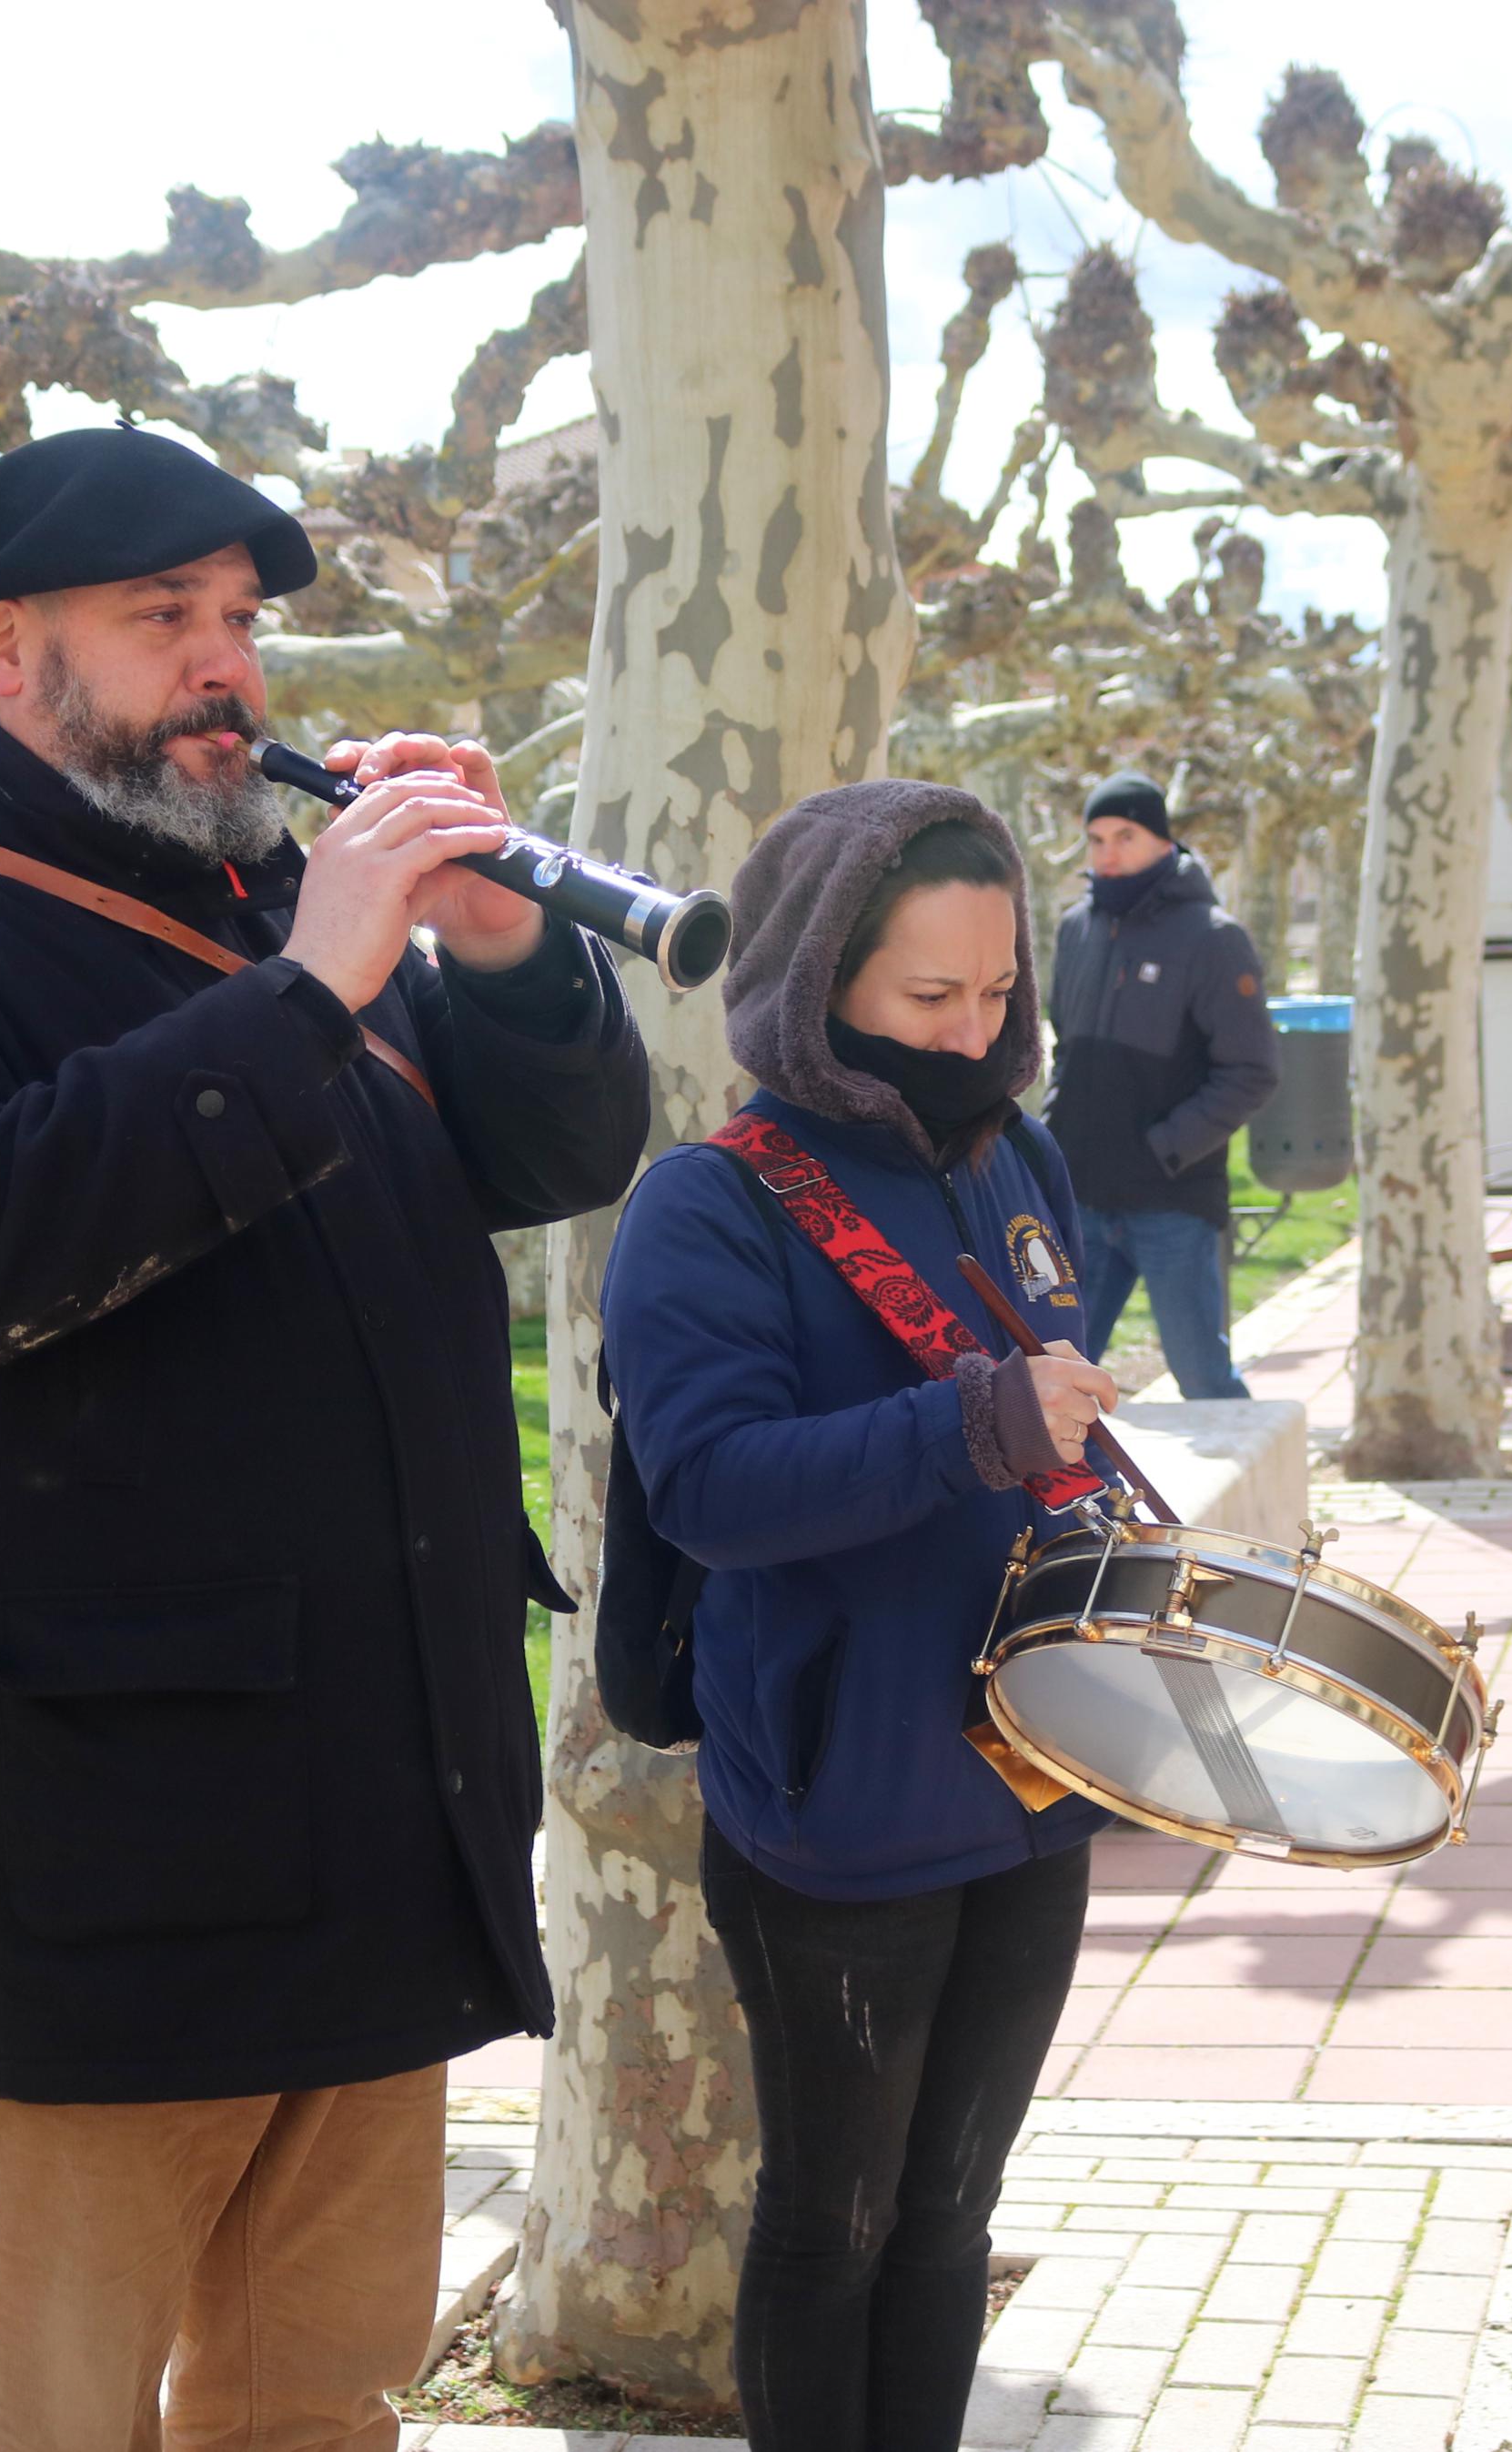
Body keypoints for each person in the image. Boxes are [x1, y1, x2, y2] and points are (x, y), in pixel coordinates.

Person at [0, 423, 652, 2451]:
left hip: (379, 1794)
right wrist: (320, 978)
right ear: (7, 653)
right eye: (164, 619)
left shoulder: (276, 912)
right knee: (67, 2412)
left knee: (320, 2396)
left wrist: (498, 960)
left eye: (237, 620)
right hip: (114, 1837)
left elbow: (559, 1153)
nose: (227, 662)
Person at [604, 781, 1116, 2452]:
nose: (972, 1035)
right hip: (835, 1799)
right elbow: (712, 1489)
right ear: (820, 981)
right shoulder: (711, 1203)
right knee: (837, 2222)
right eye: (926, 999)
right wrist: (973, 1425)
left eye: (996, 993)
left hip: (1037, 1777)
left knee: (956, 2215)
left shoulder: (1017, 1153)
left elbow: (1047, 1404)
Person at [1044, 771, 1281, 1400]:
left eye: (1124, 835)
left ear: (1162, 840)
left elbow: (1252, 1070)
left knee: (1202, 1378)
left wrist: (1164, 1145)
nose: (1106, 854)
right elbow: (1065, 1048)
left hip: (1171, 1202)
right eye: (1094, 839)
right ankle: (1069, 1501)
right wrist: (1052, 1137)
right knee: (1058, 1377)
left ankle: (1265, 1503)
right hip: (1084, 1199)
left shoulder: (1212, 936)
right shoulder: (1076, 928)